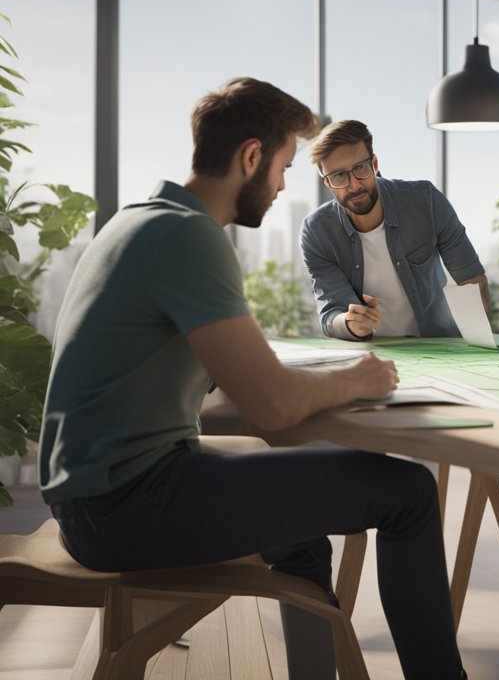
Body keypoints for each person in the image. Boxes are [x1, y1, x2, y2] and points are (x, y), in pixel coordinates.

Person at [39, 78, 466, 679]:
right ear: (250, 157)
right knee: (409, 494)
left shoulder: (141, 220)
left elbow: (205, 365)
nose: (285, 185)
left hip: (95, 492)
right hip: (124, 505)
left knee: (300, 537)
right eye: (285, 166)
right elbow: (272, 407)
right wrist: (358, 380)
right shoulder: (190, 237)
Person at [300, 119, 489, 341]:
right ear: (326, 183)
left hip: (438, 346)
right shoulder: (317, 232)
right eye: (339, 176)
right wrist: (350, 324)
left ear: (374, 164)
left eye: (359, 167)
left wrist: (479, 341)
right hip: (372, 353)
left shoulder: (426, 201)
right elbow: (332, 312)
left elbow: (471, 279)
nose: (353, 185)